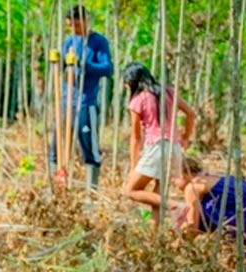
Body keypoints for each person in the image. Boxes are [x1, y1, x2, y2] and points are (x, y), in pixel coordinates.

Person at [122, 61, 197, 231]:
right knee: (157, 196)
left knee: (131, 191)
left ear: (132, 82)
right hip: (174, 148)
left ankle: (175, 206)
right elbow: (191, 114)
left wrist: (134, 166)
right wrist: (185, 138)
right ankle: (154, 238)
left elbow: (135, 137)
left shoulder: (137, 101)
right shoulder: (168, 92)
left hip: (156, 147)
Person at [172, 157, 246, 258]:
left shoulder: (193, 187)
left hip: (242, 207)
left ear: (184, 173)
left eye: (174, 176)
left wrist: (175, 247)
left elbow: (193, 227)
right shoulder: (210, 176)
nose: (172, 181)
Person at [48, 4, 114, 188]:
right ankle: (56, 189)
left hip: (86, 103)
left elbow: (107, 69)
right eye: (70, 26)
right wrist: (57, 61)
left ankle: (91, 192)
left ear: (86, 21)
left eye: (76, 25)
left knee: (89, 148)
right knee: (56, 148)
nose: (74, 30)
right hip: (66, 101)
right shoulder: (69, 41)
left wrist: (83, 62)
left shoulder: (99, 42)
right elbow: (61, 67)